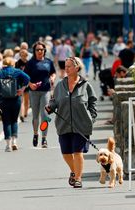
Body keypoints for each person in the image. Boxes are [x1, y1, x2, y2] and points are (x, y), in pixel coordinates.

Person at [46, 56, 97, 188]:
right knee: (66, 153)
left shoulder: (86, 85)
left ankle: (78, 178)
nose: (66, 68)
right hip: (63, 124)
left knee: (78, 152)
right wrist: (50, 107)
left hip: (81, 125)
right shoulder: (60, 85)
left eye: (69, 66)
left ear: (77, 68)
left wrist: (91, 118)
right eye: (65, 66)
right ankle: (74, 171)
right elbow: (54, 101)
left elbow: (92, 102)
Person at [24, 41, 56, 148]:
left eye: (41, 50)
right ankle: (35, 134)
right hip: (34, 92)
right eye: (37, 50)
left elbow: (53, 72)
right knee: (35, 116)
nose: (39, 51)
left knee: (45, 116)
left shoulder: (48, 62)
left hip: (45, 91)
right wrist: (30, 84)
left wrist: (52, 78)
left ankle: (44, 138)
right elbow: (25, 76)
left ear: (44, 51)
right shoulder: (30, 63)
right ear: (34, 51)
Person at [0, 57, 30, 152]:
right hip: (15, 99)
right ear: (13, 64)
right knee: (14, 120)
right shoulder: (17, 71)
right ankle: (14, 142)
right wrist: (22, 89)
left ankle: (8, 145)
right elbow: (27, 78)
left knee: (6, 121)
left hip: (3, 100)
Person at [15, 49, 31, 122]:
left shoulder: (29, 63)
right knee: (21, 99)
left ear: (26, 55)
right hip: (20, 83)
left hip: (27, 82)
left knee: (26, 99)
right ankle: (21, 115)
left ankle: (25, 113)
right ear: (20, 55)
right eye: (22, 55)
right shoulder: (17, 63)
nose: (23, 56)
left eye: (25, 55)